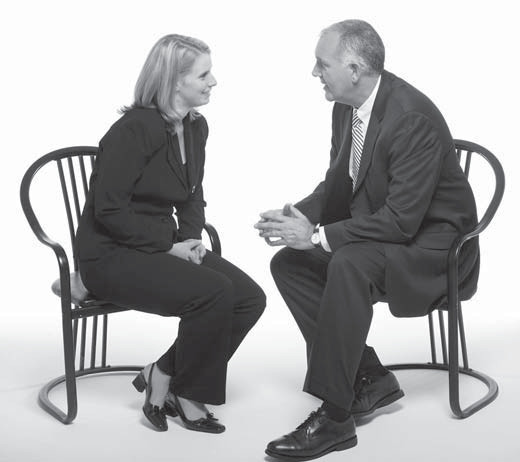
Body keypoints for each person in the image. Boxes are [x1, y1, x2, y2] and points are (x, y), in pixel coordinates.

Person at [255, 19, 479, 460]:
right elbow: (339, 183)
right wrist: (302, 216)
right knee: (290, 263)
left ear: (354, 69)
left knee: (347, 262)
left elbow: (401, 221)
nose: (315, 73)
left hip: (434, 249)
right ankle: (370, 376)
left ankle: (335, 416)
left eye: (322, 65)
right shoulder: (346, 108)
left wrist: (317, 236)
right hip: (391, 233)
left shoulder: (410, 118)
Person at [76, 34, 265, 433]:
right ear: (175, 81)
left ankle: (163, 372)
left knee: (249, 298)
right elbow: (109, 211)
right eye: (204, 74)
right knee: (214, 292)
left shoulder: (195, 126)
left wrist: (190, 241)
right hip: (111, 255)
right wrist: (168, 245)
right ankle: (189, 394)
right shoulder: (134, 130)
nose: (213, 81)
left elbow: (192, 195)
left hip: (162, 246)